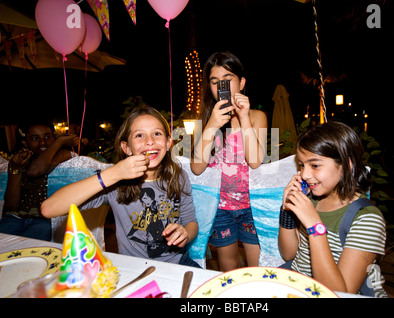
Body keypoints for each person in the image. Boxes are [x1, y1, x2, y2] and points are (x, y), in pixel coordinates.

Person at [41, 106, 200, 267]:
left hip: (178, 262)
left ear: (168, 143)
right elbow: (49, 209)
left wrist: (185, 233)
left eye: (157, 133)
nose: (149, 141)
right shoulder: (115, 181)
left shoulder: (178, 176)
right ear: (126, 148)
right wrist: (113, 174)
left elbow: (191, 222)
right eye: (139, 135)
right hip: (133, 267)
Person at [278, 121, 387, 297]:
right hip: (295, 285)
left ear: (346, 166)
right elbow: (289, 253)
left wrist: (315, 227)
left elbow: (338, 293)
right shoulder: (312, 199)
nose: (305, 174)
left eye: (314, 165)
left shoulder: (367, 219)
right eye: (302, 164)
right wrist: (286, 210)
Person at [191, 51, 267, 271]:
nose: (221, 86)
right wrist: (212, 125)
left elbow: (255, 162)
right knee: (228, 267)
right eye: (215, 82)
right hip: (220, 206)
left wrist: (243, 118)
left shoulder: (256, 116)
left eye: (228, 79)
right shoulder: (206, 119)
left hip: (251, 205)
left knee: (256, 267)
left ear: (241, 83)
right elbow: (197, 167)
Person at [0, 120, 79, 241]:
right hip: (15, 218)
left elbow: (35, 170)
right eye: (35, 138)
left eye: (48, 137)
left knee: (29, 252)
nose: (43, 142)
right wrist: (15, 170)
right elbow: (11, 204)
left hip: (44, 221)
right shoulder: (19, 161)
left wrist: (59, 142)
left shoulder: (63, 154)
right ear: (25, 142)